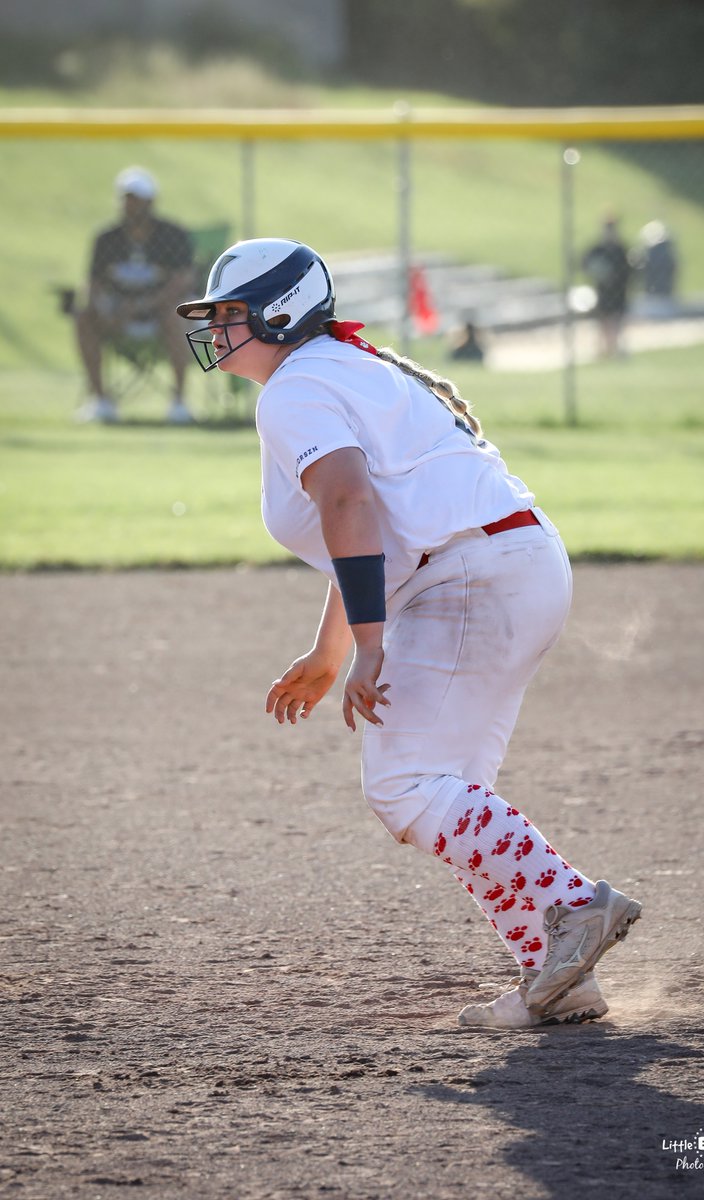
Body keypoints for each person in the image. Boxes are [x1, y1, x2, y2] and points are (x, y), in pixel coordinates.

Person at [176, 238, 643, 1030]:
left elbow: (349, 503)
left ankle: (573, 908)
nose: (215, 330)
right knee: (450, 790)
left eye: (230, 314)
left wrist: (369, 643)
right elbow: (371, 527)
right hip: (505, 564)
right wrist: (332, 649)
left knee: (405, 785)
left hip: (469, 576)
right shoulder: (334, 369)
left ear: (280, 314)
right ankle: (557, 975)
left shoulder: (295, 388)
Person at [74, 166, 195, 424]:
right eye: (126, 199)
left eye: (136, 199)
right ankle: (100, 401)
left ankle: (179, 401)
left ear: (150, 202)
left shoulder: (172, 235)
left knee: (176, 314)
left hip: (160, 310)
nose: (130, 205)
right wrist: (104, 310)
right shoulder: (107, 239)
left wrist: (141, 306)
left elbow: (182, 281)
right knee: (84, 317)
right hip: (117, 312)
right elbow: (93, 283)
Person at [581, 217, 633, 359]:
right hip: (603, 290)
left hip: (619, 290)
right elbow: (585, 263)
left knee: (616, 320)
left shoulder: (621, 250)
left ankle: (614, 347)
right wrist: (598, 271)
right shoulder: (598, 249)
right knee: (603, 319)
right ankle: (603, 349)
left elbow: (629, 270)